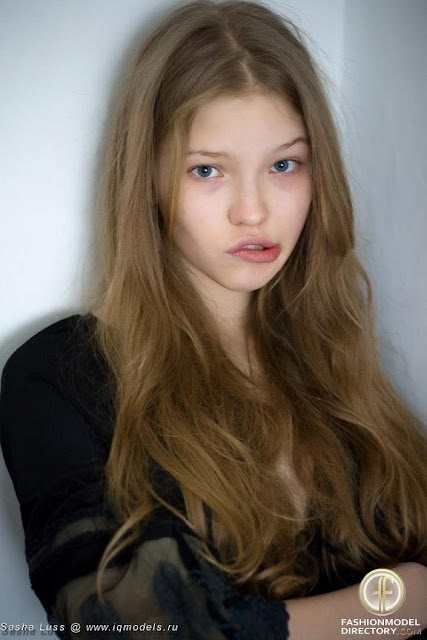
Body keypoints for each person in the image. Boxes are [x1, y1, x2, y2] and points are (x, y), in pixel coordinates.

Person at [0, 1, 426, 638]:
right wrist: (397, 606)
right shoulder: (57, 376)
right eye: (207, 170)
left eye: (284, 165)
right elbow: (138, 627)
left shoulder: (334, 357)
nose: (252, 211)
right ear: (146, 178)